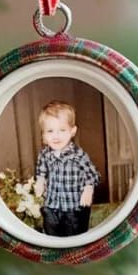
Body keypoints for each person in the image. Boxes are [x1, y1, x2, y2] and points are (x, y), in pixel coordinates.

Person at [33, 100, 101, 237]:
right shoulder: (44, 154)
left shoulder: (78, 155)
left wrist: (88, 189)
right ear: (43, 135)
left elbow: (93, 175)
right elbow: (41, 170)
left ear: (72, 131)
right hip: (51, 205)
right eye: (50, 131)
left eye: (62, 130)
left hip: (73, 208)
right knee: (52, 236)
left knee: (73, 237)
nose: (56, 136)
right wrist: (40, 181)